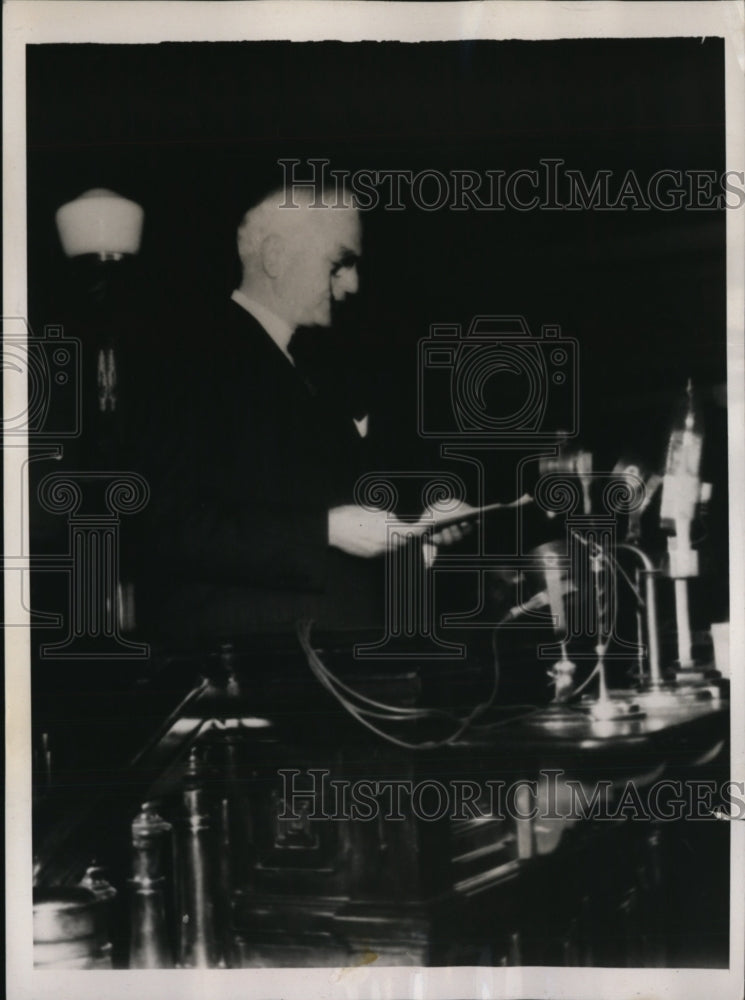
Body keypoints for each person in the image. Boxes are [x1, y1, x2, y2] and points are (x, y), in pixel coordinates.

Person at [139, 186, 468, 642]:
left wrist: (419, 526)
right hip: (250, 670)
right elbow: (166, 524)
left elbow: (311, 500)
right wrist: (325, 531)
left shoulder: (305, 366)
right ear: (275, 257)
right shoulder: (191, 358)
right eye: (339, 262)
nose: (352, 284)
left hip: (332, 668)